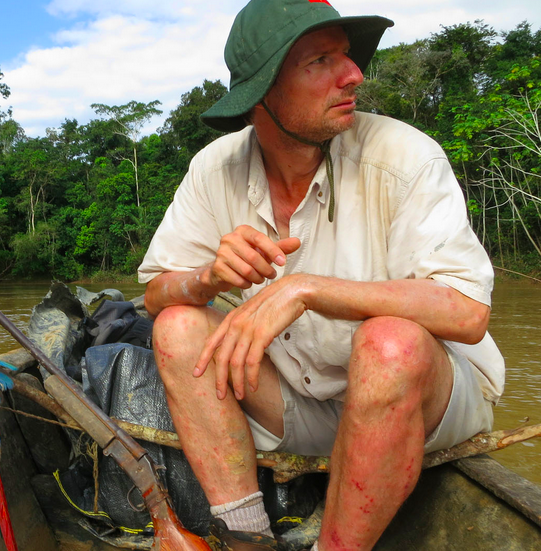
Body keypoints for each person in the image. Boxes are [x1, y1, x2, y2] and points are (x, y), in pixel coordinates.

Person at [136, 0, 505, 549]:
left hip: (420, 402)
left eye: (347, 56)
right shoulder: (213, 168)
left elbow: (468, 312)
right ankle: (245, 537)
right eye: (320, 60)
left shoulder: (404, 156)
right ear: (263, 90)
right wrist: (210, 277)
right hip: (298, 401)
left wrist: (307, 289)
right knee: (178, 327)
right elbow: (155, 293)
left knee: (390, 345)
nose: (354, 74)